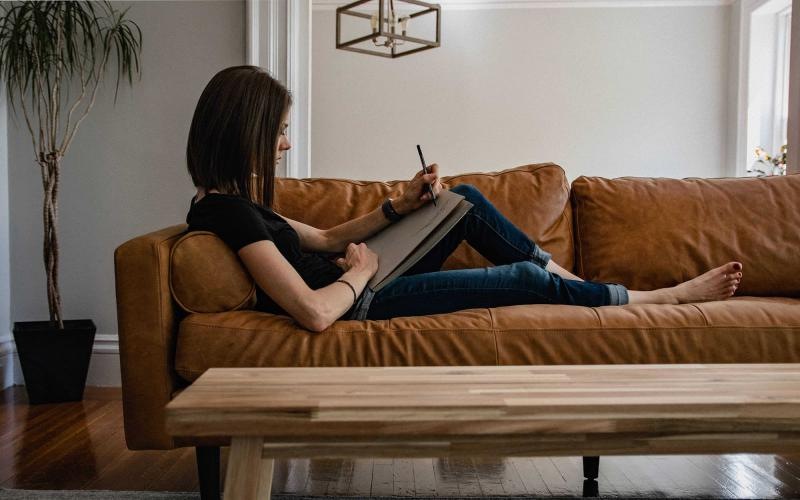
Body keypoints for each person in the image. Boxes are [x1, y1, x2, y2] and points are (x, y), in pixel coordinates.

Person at [186, 66, 743, 332]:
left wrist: (401, 205)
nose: (286, 142)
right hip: (359, 298)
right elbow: (311, 312)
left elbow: (327, 238)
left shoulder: (241, 204)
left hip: (361, 278)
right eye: (279, 130)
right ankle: (656, 299)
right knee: (523, 282)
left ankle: (578, 287)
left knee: (464, 200)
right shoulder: (225, 213)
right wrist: (359, 273)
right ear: (246, 130)